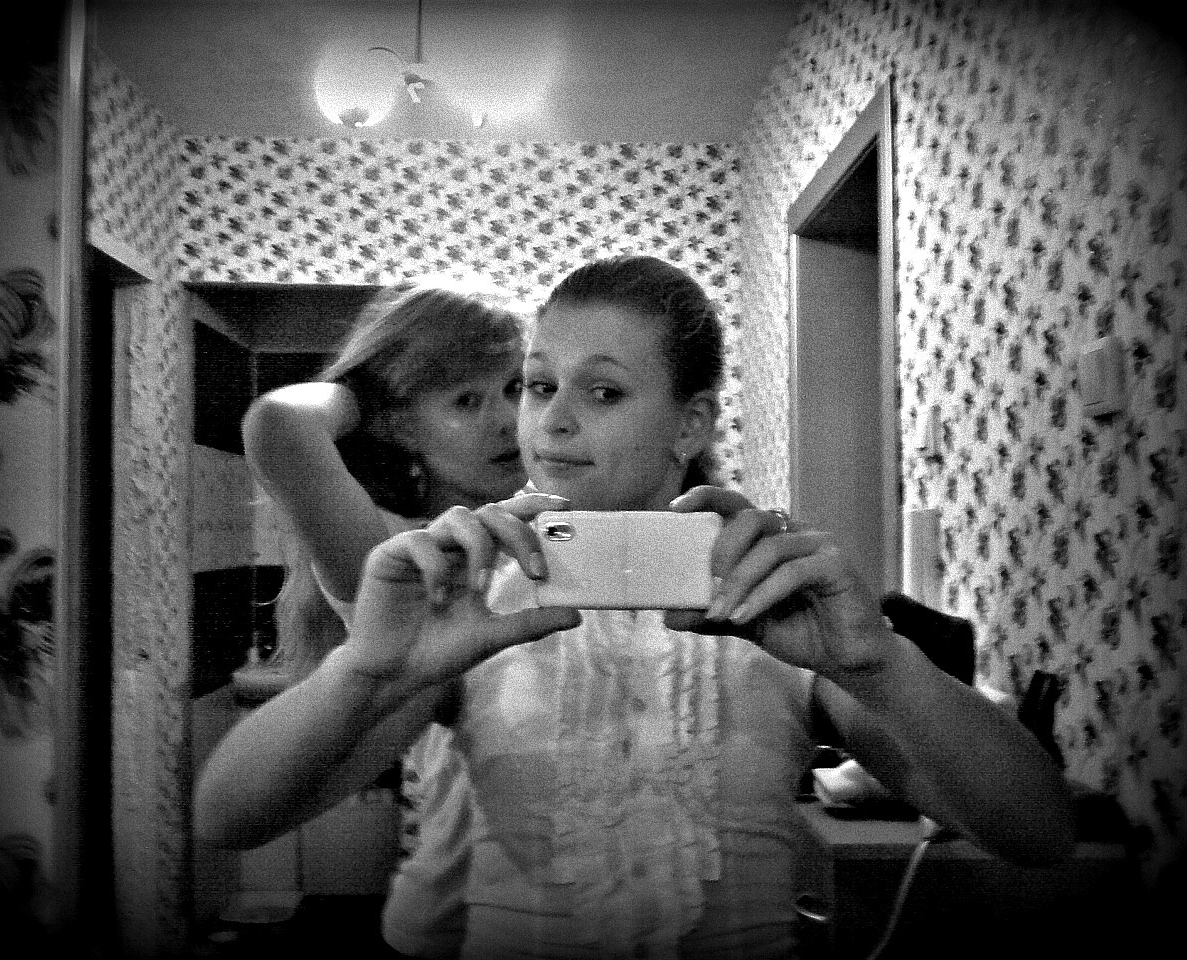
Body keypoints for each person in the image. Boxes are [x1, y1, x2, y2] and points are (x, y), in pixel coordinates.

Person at [198, 254, 1078, 959]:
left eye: (603, 391)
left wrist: (878, 662)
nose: (550, 422)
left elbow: (1038, 832)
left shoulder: (763, 595)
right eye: (538, 385)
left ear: (689, 424)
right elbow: (231, 818)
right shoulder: (480, 599)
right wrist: (365, 672)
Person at [238, 273, 528, 957]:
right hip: (454, 918)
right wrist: (366, 395)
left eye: (518, 388)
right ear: (398, 425)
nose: (505, 420)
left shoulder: (557, 537)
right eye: (465, 400)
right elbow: (279, 423)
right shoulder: (396, 556)